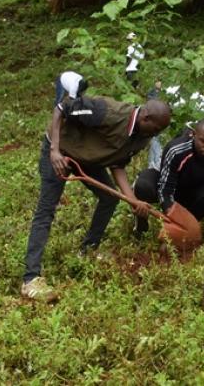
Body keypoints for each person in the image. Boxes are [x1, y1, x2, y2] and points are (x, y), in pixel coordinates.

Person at [21, 96, 171, 302]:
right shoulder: (107, 112)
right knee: (46, 210)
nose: (156, 135)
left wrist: (132, 199)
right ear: (145, 117)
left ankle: (88, 250)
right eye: (156, 129)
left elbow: (117, 164)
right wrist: (55, 151)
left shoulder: (143, 135)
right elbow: (61, 108)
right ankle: (30, 279)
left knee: (109, 198)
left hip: (88, 158)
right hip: (60, 152)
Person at [133, 117, 204, 241]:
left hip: (189, 192)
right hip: (163, 182)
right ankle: (141, 226)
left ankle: (188, 225)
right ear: (193, 135)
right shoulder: (176, 150)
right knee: (143, 186)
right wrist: (172, 222)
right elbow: (165, 190)